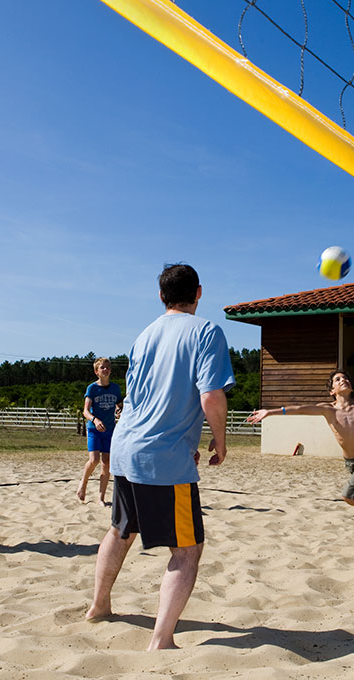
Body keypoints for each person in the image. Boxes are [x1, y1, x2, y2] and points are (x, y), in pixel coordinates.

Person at [85, 263, 234, 650]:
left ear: (161, 296)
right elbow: (210, 396)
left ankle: (99, 607)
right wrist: (220, 439)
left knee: (120, 530)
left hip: (125, 447)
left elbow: (138, 399)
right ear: (199, 292)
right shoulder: (206, 331)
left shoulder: (145, 334)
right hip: (162, 456)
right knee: (187, 550)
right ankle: (161, 639)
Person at [246, 370, 354, 554]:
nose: (343, 380)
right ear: (332, 391)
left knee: (349, 495)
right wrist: (270, 412)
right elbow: (300, 409)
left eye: (346, 378)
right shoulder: (327, 409)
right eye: (338, 379)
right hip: (351, 463)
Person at [76, 357, 123, 506]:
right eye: (102, 367)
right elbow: (85, 411)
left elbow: (120, 406)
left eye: (108, 367)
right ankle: (83, 484)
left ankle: (101, 498)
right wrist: (95, 420)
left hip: (109, 429)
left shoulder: (116, 388)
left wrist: (119, 411)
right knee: (94, 460)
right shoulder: (92, 388)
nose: (105, 369)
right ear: (96, 371)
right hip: (94, 429)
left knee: (106, 462)